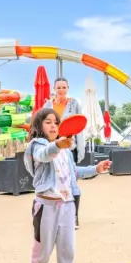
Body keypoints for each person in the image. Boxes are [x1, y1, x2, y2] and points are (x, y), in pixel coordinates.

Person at [23, 108, 111, 263]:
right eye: (48, 122)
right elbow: (44, 155)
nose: (53, 125)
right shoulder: (36, 146)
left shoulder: (67, 152)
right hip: (46, 204)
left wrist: (95, 169)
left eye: (56, 122)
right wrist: (57, 145)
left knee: (67, 250)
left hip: (68, 205)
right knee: (42, 250)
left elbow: (74, 173)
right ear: (39, 125)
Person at [43, 77, 85, 228]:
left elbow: (80, 126)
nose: (61, 90)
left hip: (69, 148)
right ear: (54, 89)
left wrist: (80, 147)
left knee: (71, 181)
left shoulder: (74, 104)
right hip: (53, 147)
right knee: (54, 181)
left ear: (68, 88)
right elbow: (43, 126)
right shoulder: (48, 105)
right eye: (58, 87)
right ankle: (57, 216)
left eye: (64, 87)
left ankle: (74, 217)